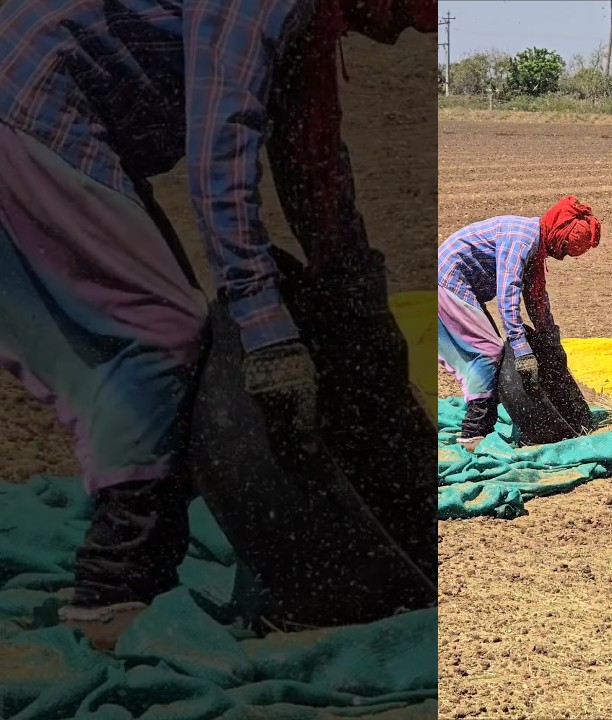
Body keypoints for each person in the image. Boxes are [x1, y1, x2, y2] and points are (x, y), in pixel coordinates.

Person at [0, 0, 433, 649]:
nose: (404, 33)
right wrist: (267, 335)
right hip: (29, 95)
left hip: (66, 109)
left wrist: (360, 309)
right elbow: (219, 164)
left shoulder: (312, 24)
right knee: (156, 330)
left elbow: (312, 166)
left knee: (170, 332)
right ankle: (113, 591)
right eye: (409, 12)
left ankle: (136, 570)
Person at [438, 196, 602, 451]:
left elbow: (536, 298)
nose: (563, 256)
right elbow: (508, 295)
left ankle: (482, 427)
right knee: (487, 352)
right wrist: (522, 350)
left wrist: (550, 340)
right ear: (559, 233)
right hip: (447, 280)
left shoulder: (537, 244)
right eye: (566, 249)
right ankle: (473, 434)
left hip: (460, 285)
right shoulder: (523, 239)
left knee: (491, 350)